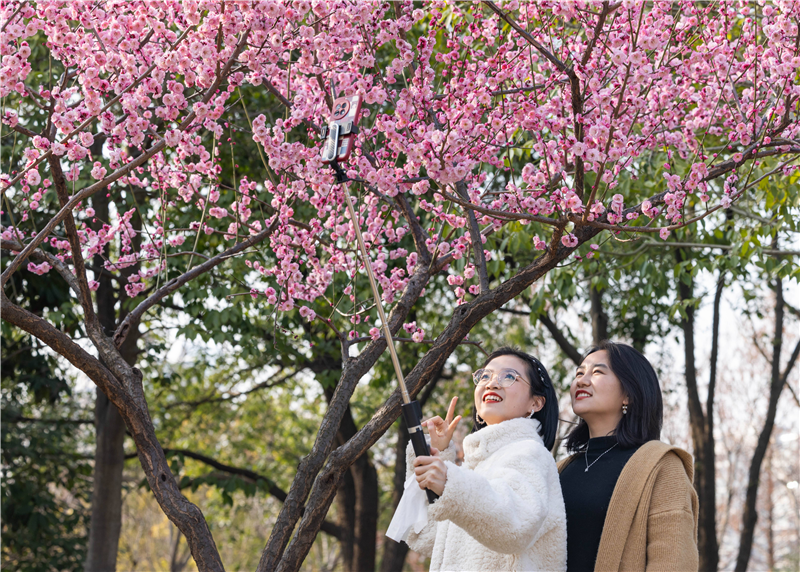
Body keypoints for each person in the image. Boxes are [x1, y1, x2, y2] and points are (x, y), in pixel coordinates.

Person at [406, 347, 567, 571]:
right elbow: (424, 535)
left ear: (536, 403)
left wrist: (449, 481)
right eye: (484, 376)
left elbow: (516, 525)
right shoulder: (474, 469)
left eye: (509, 376)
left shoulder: (531, 453)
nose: (492, 383)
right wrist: (435, 454)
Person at [558, 340, 698, 572]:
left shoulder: (661, 466)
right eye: (579, 373)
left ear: (629, 394)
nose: (581, 380)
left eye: (597, 372)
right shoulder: (559, 469)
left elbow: (673, 563)